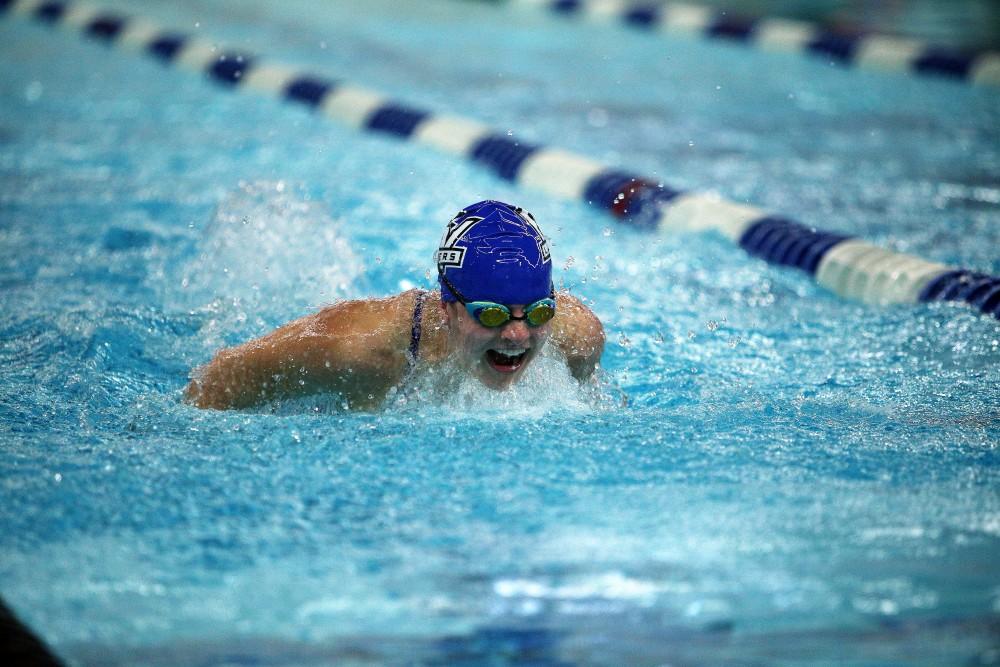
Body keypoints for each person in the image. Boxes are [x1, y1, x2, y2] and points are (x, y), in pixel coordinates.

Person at [185, 200, 605, 410]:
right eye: (491, 314)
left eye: (537, 312)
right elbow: (220, 376)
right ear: (448, 308)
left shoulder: (578, 339)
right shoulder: (355, 349)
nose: (517, 334)